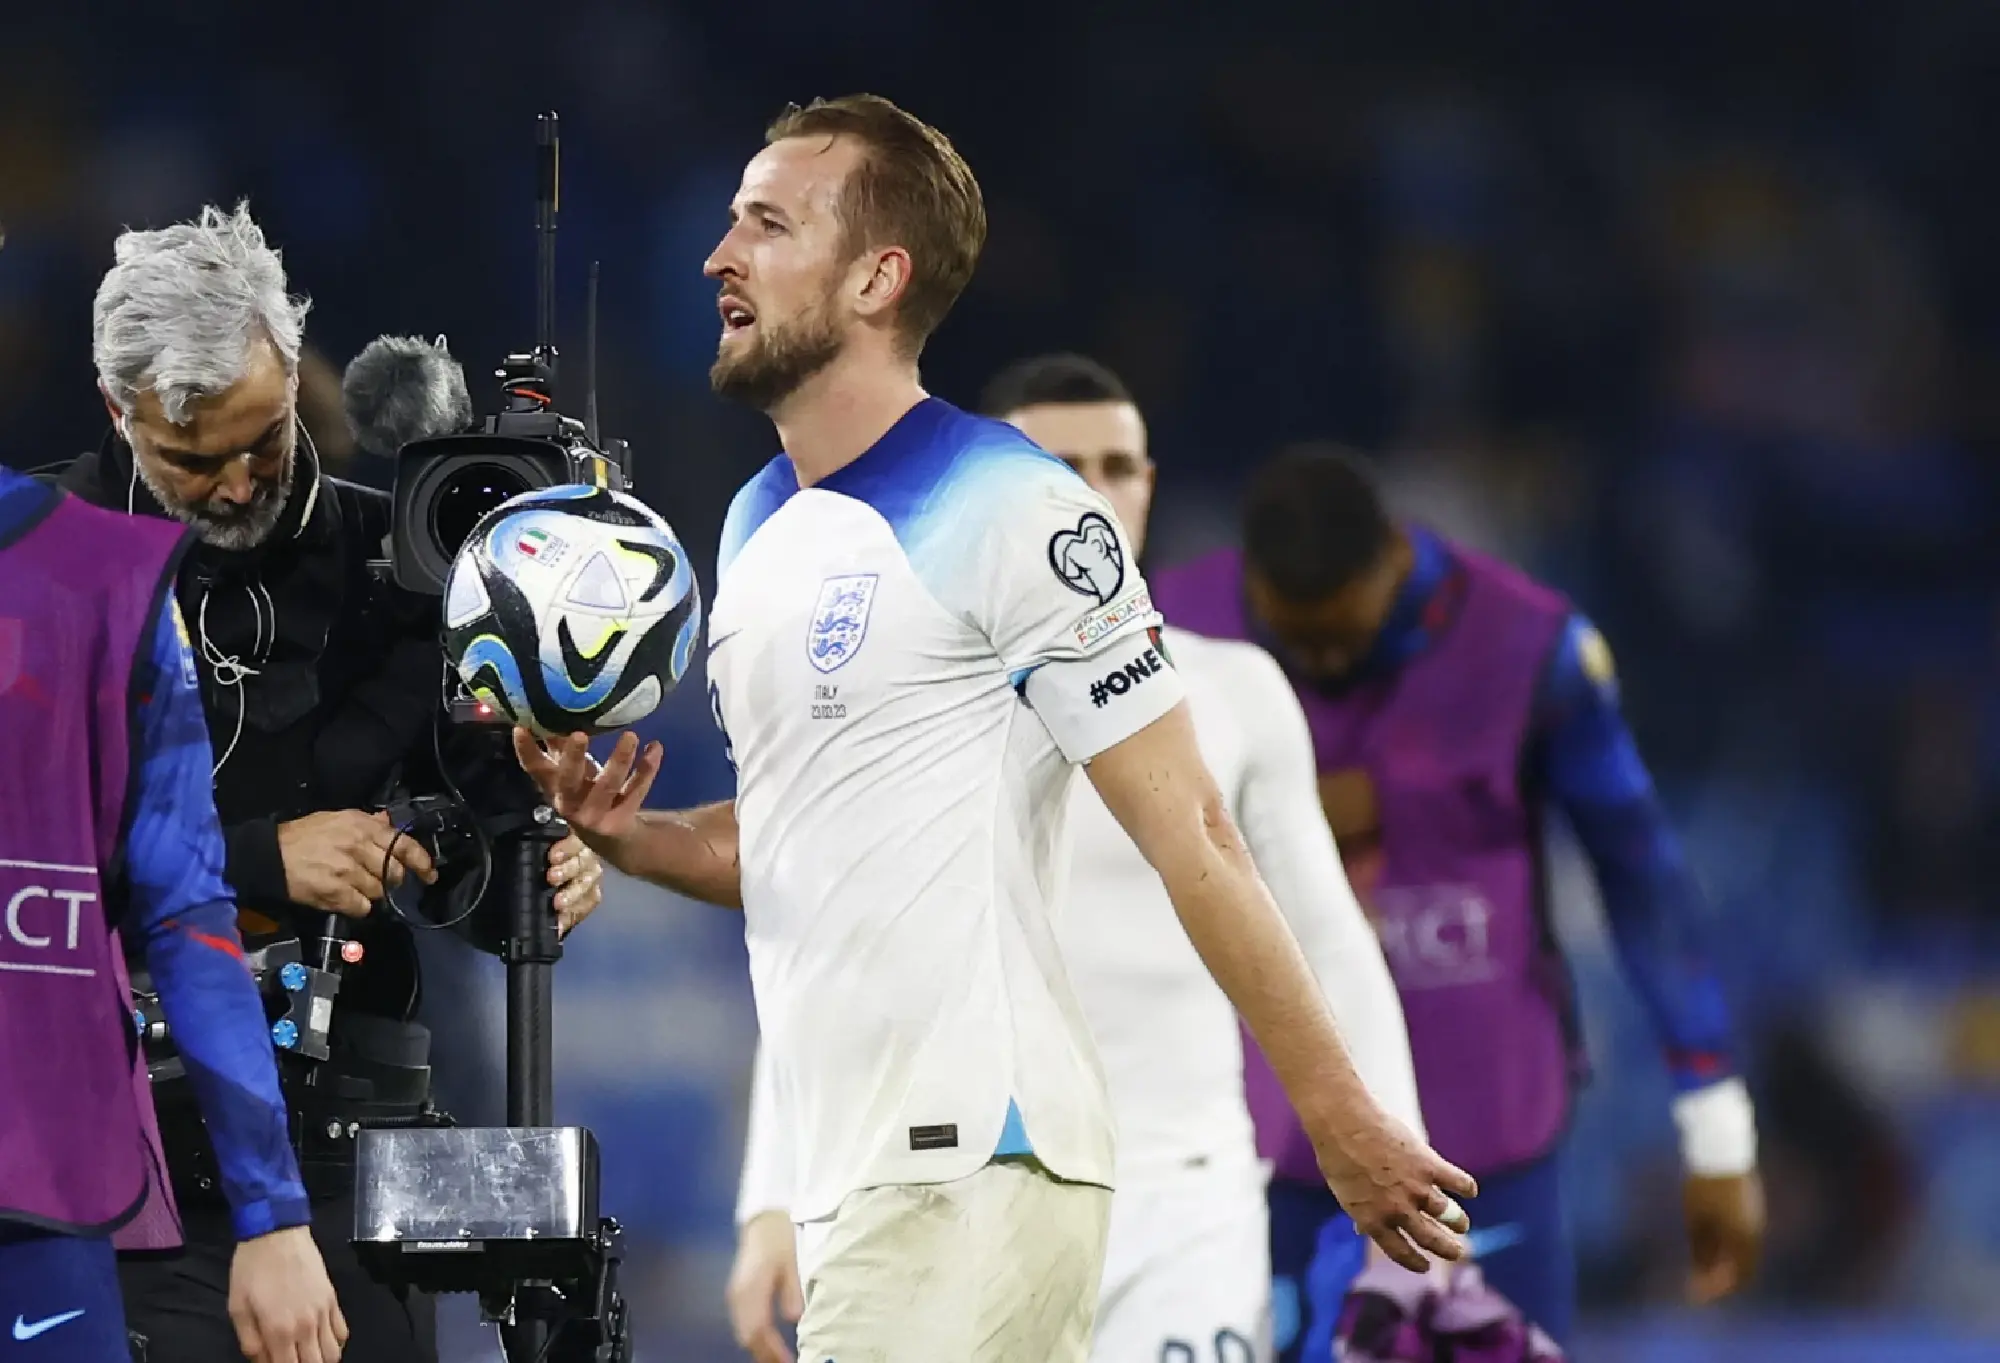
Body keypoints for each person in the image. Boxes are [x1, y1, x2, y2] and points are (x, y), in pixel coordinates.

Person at [517, 95, 1474, 1363]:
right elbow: (795, 846)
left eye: (767, 223)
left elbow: (1191, 825)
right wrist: (635, 838)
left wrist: (1339, 1116)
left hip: (975, 1153)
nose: (718, 255)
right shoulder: (751, 530)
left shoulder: (1014, 505)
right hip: (864, 1171)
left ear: (876, 277)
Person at [720, 352, 1431, 1363]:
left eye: (1120, 465)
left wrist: (1389, 1147)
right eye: (1061, 466)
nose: (1093, 494)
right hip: (972, 1187)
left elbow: (1330, 940)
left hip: (1183, 1204)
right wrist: (769, 1202)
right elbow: (823, 951)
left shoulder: (1235, 693)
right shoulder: (914, 699)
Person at [57, 202, 606, 1363]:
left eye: (268, 437)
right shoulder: (39, 567)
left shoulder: (408, 566)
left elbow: (479, 846)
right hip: (109, 1159)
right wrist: (263, 857)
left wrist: (530, 857)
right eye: (192, 457)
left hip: (360, 1146)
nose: (239, 481)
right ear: (120, 411)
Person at [1149, 444, 1767, 1350]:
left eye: (1342, 639)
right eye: (1296, 640)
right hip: (1258, 1154)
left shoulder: (1529, 649)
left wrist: (1717, 1129)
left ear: (1395, 558)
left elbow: (1641, 874)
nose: (1319, 663)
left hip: (1484, 1156)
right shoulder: (1168, 631)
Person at [0, 462, 345, 1362]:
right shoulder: (105, 576)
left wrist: (270, 1217)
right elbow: (189, 922)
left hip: (35, 1202)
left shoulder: (110, 578)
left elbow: (189, 921)